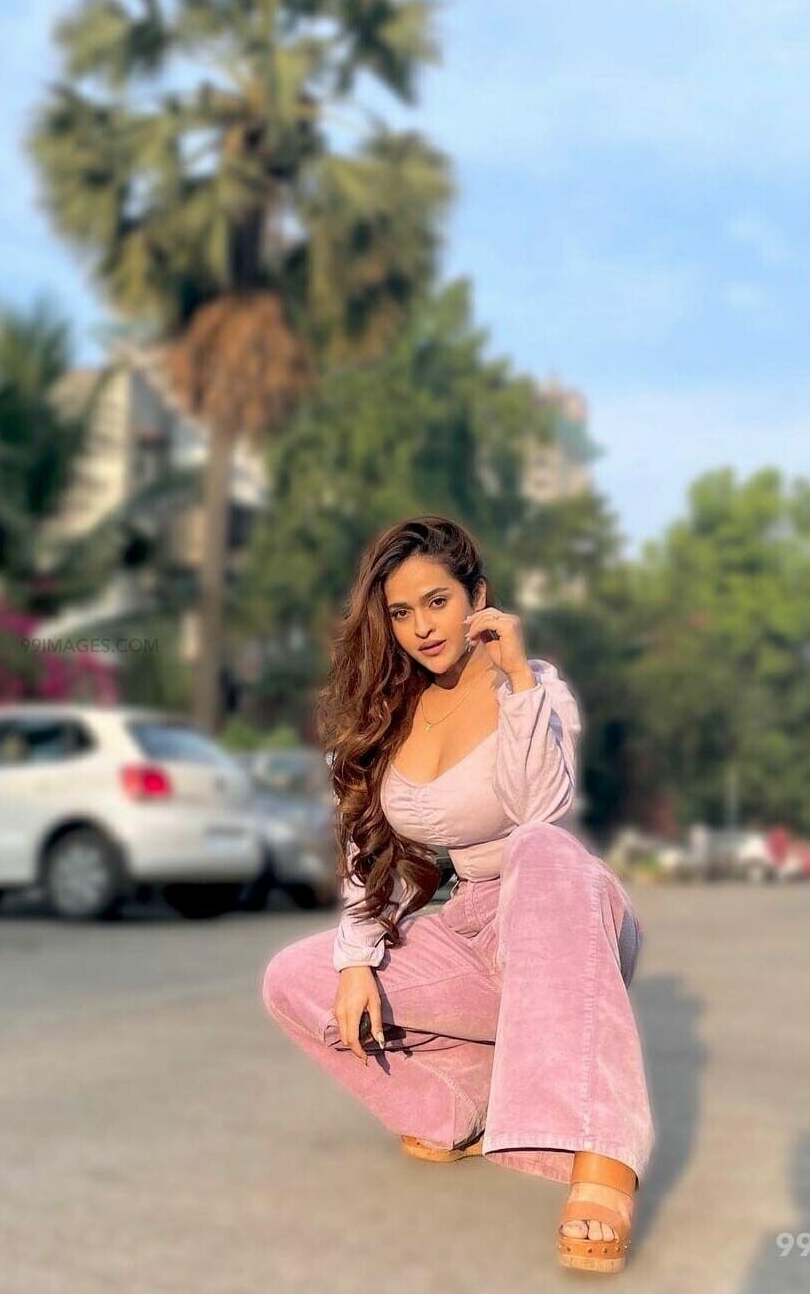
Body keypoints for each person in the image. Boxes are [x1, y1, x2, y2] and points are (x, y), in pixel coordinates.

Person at [261, 515, 654, 1274]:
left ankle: (603, 1156)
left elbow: (541, 809)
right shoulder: (391, 713)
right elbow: (366, 853)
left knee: (538, 847)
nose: (421, 627)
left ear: (478, 594)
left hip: (562, 916)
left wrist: (516, 681)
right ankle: (461, 1103)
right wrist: (356, 960)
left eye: (437, 601)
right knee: (295, 978)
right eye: (401, 612)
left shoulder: (535, 687)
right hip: (469, 924)